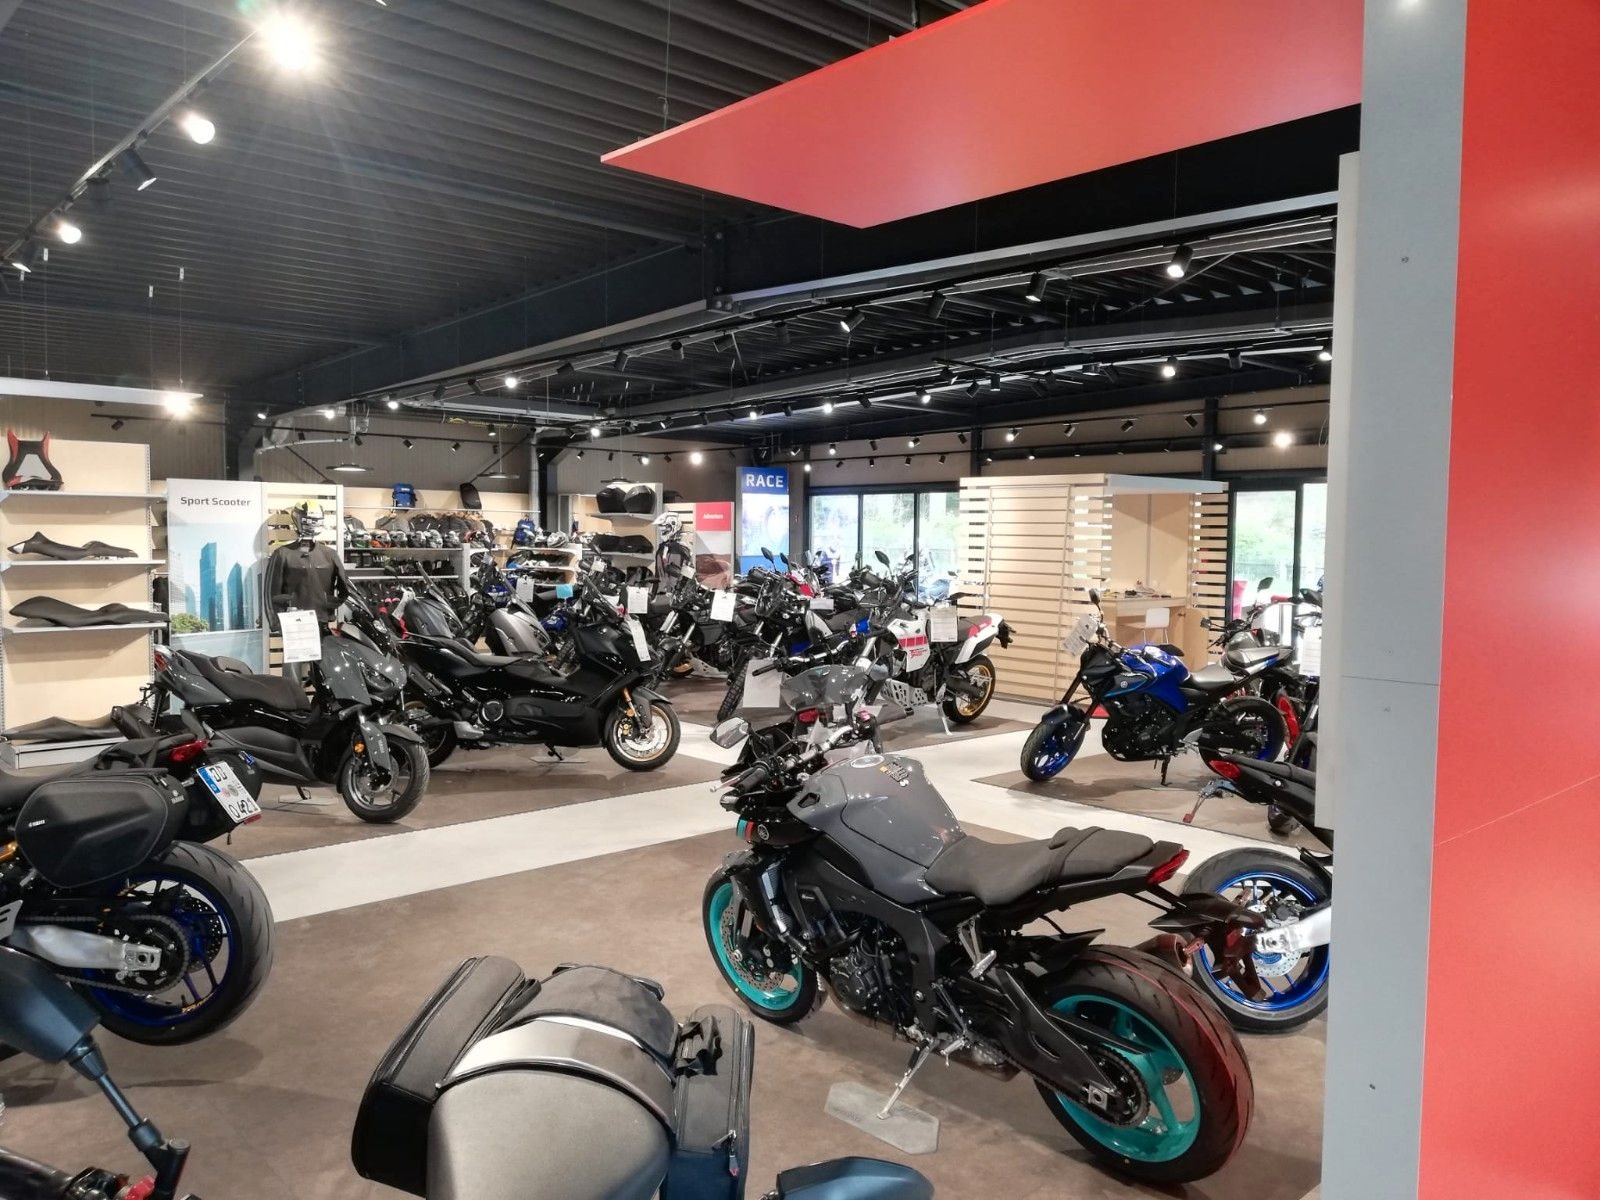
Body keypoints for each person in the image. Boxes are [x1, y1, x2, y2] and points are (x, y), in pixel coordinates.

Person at [654, 511, 691, 589]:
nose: (662, 530)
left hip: (672, 590)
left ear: (673, 526)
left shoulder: (679, 548)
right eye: (661, 527)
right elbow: (658, 571)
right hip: (662, 589)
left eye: (665, 527)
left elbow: (679, 573)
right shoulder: (663, 546)